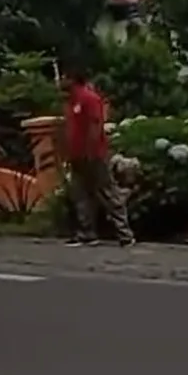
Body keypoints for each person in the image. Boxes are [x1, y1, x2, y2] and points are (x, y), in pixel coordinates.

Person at [62, 66, 136, 247]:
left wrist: (91, 149)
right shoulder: (71, 101)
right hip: (77, 155)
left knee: (107, 192)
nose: (60, 81)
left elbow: (95, 124)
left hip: (93, 154)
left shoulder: (89, 98)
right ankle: (86, 233)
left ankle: (125, 234)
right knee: (81, 194)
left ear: (72, 79)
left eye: (64, 76)